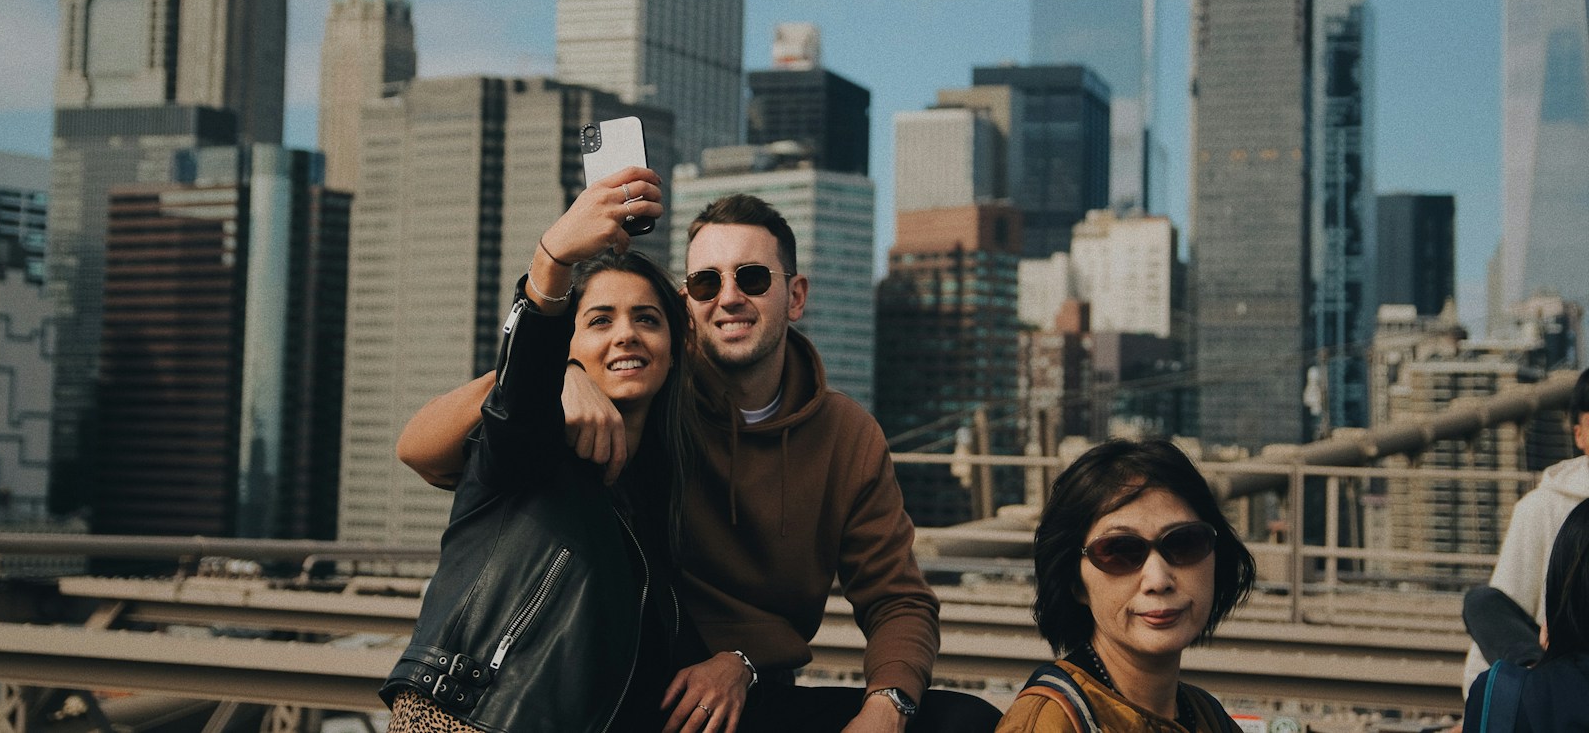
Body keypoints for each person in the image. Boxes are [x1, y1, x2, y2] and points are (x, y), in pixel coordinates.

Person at [399, 192, 1003, 733]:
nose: (730, 297)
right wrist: (562, 371)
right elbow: (430, 451)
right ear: (688, 305)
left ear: (794, 295)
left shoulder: (847, 436)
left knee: (964, 723)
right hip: (632, 685)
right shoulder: (650, 404)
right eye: (708, 283)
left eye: (753, 278)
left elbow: (898, 598)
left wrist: (884, 707)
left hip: (751, 691)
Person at [380, 167, 708, 732]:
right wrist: (552, 263)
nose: (625, 334)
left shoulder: (657, 498)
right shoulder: (531, 445)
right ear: (570, 345)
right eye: (600, 320)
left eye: (647, 320)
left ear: (674, 349)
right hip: (466, 719)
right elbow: (515, 395)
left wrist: (739, 664)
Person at [996, 439, 1255, 733]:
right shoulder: (1050, 722)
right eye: (1120, 551)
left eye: (1184, 543)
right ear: (1075, 583)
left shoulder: (1208, 716)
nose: (1158, 580)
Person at [1463, 369, 1589, 693]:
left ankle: (1534, 688)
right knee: (1482, 603)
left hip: (1559, 682)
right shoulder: (1541, 508)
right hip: (1561, 675)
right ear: (1579, 435)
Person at [1462, 497, 1589, 732]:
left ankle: (1534, 663)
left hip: (1543, 676)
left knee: (1480, 601)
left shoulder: (1501, 694)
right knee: (1481, 601)